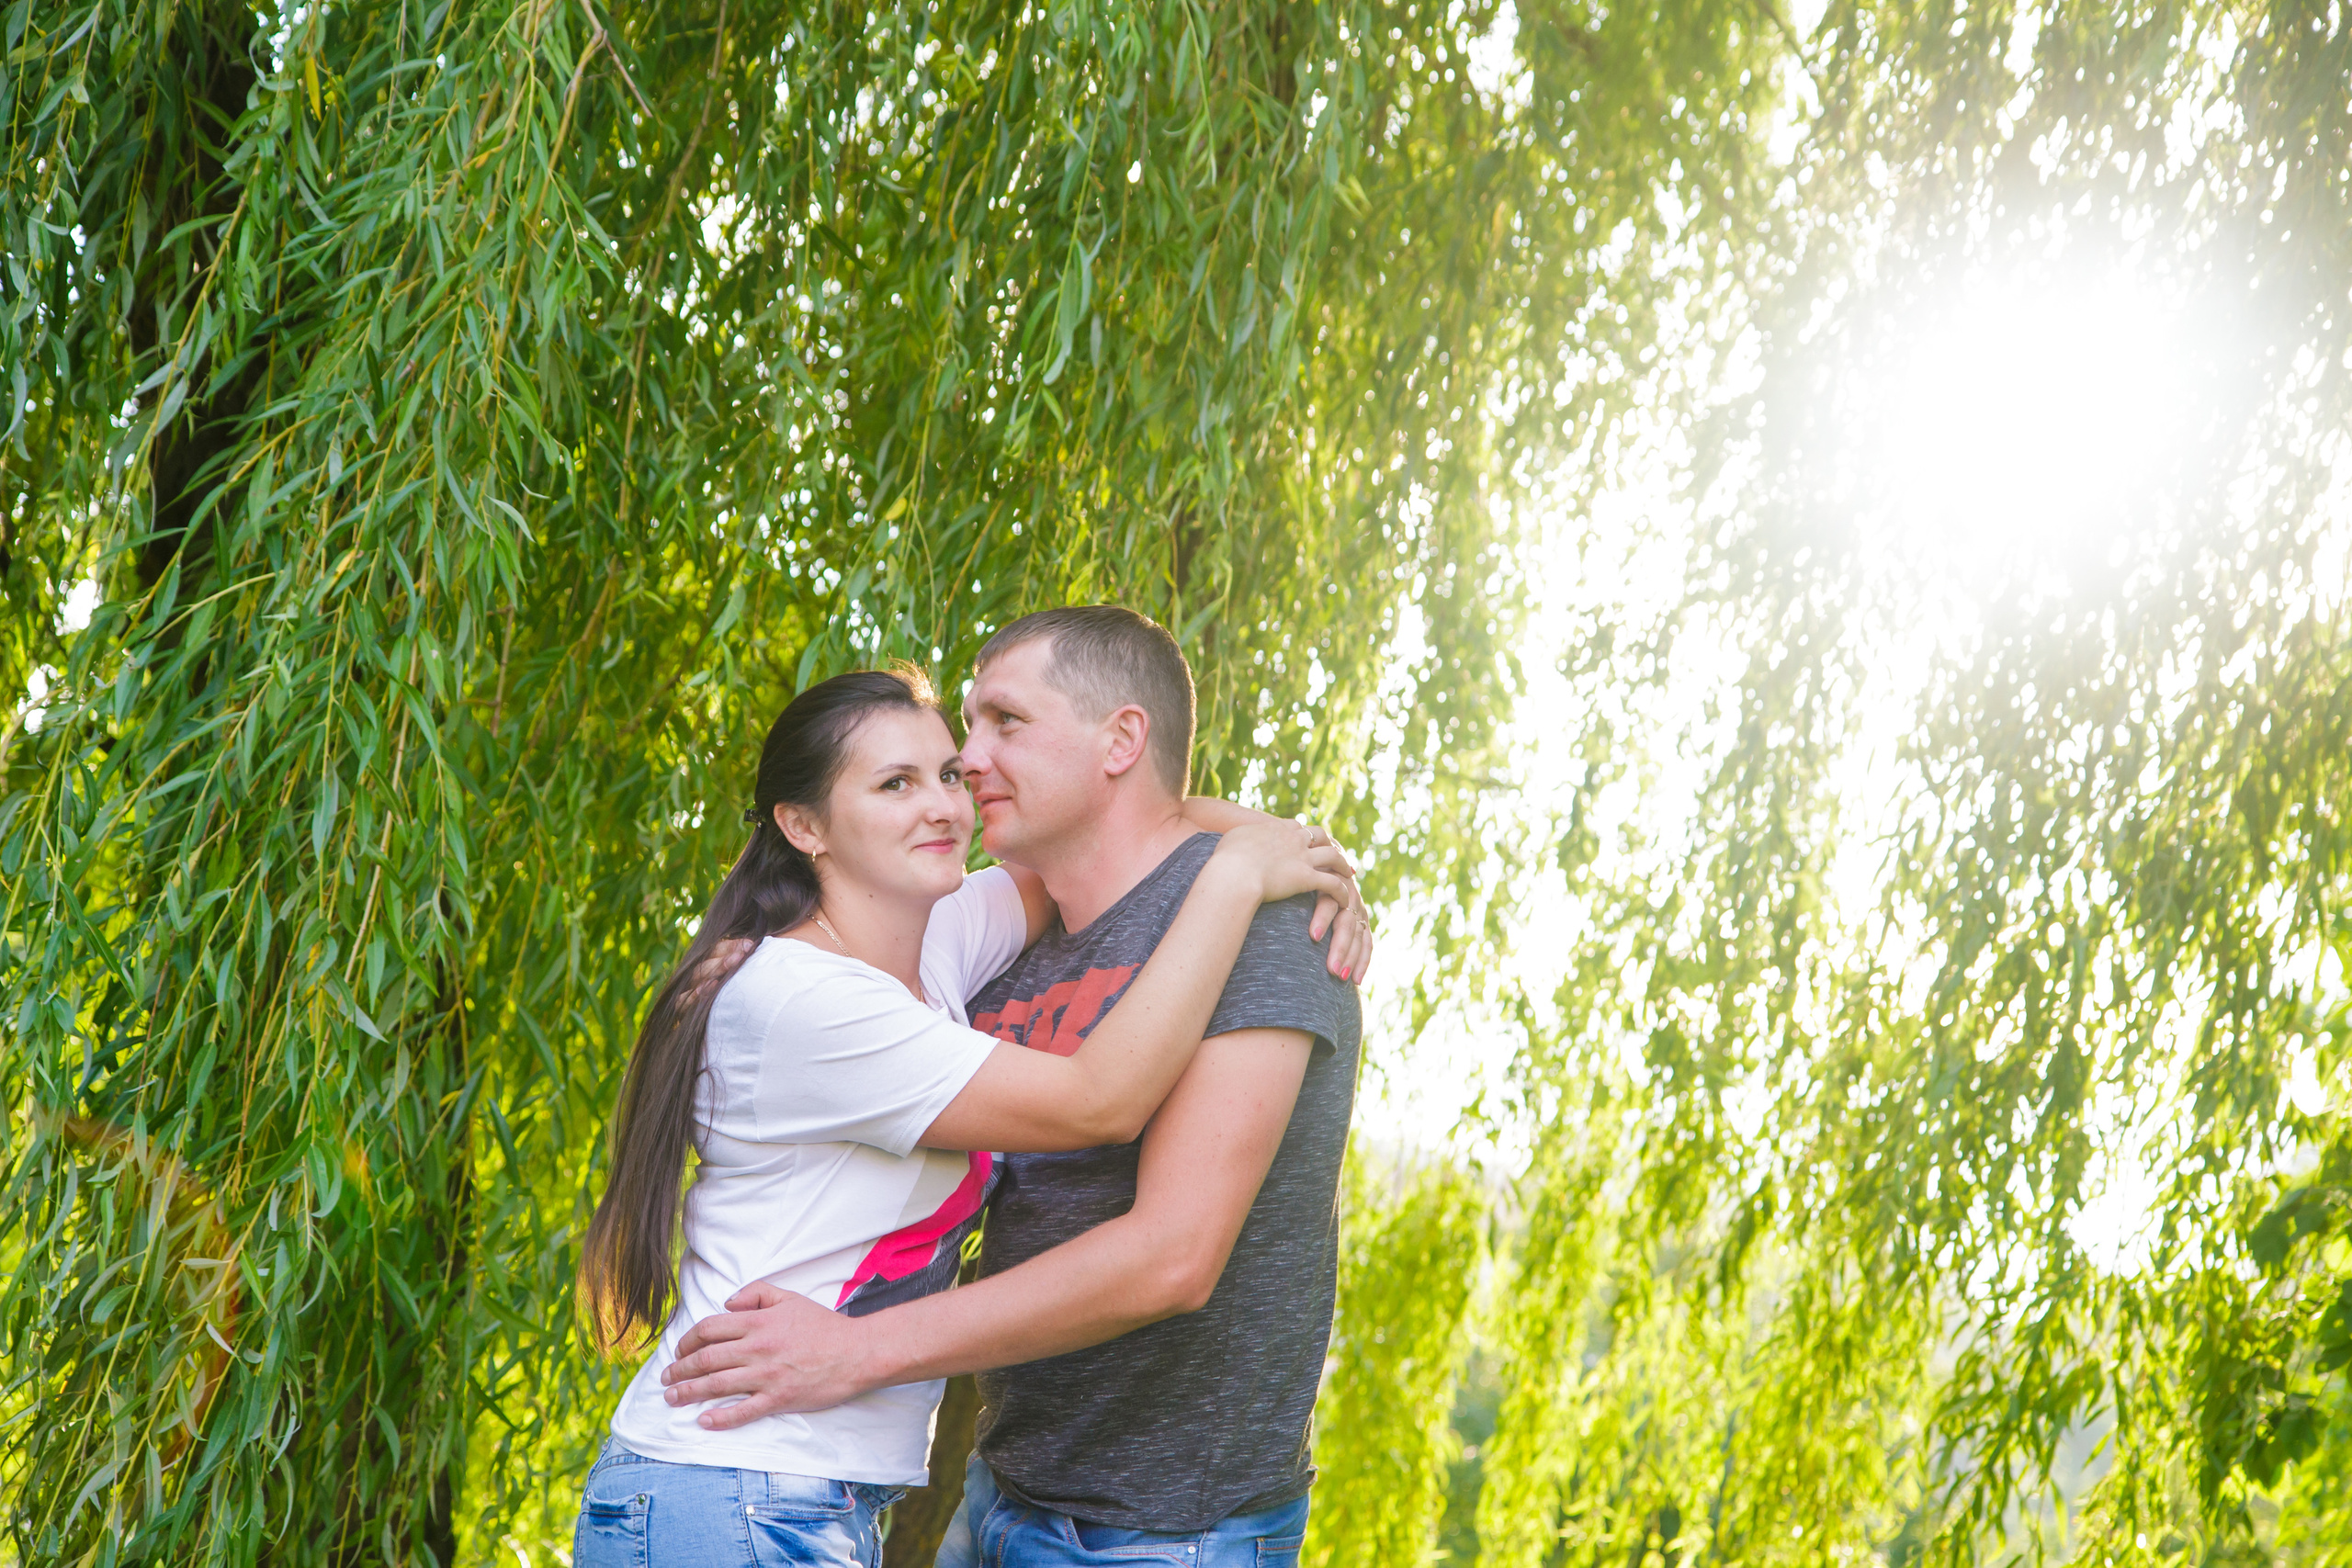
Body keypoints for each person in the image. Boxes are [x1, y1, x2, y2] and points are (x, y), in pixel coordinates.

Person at [572, 662, 1367, 1568]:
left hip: (790, 1495)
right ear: (802, 826)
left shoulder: (933, 935)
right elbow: (1099, 1102)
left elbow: (1125, 832)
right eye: (894, 784)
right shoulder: (801, 998)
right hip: (733, 1488)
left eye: (948, 774)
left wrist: (1287, 848)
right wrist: (1235, 880)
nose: (948, 804)